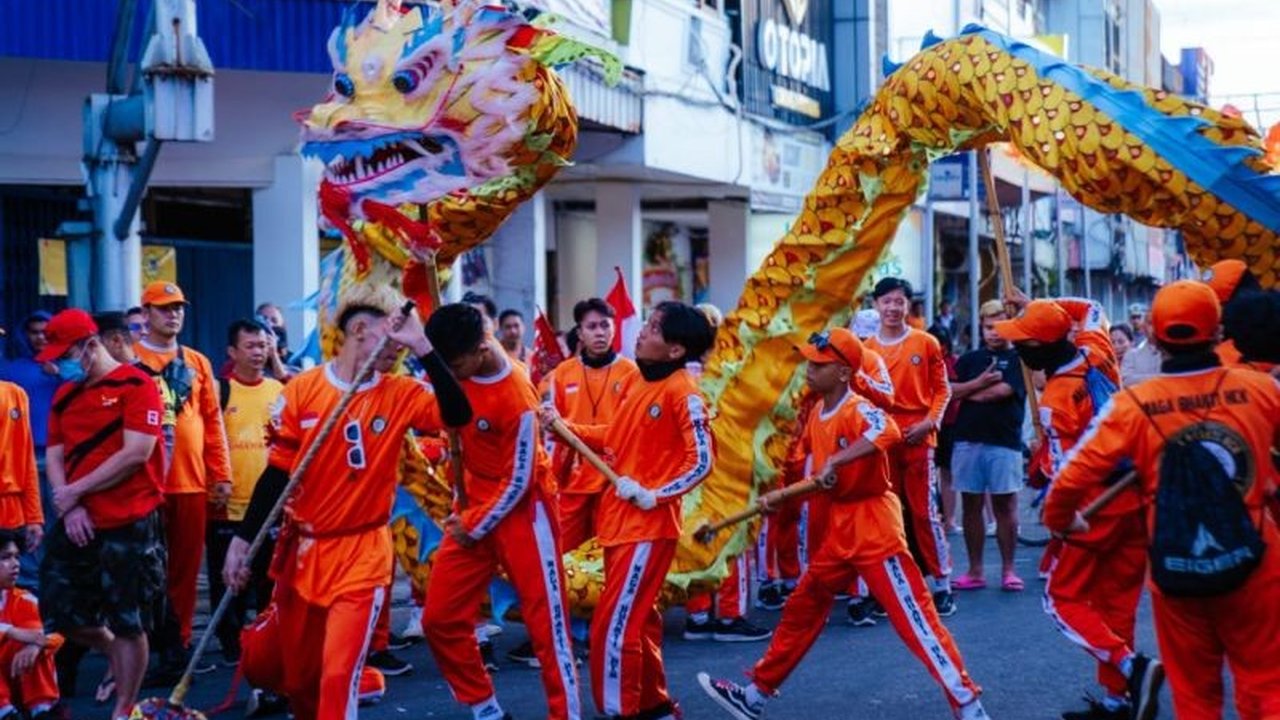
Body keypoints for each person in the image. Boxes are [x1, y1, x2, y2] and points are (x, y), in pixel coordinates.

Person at [696, 328, 988, 720]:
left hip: (874, 527)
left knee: (915, 619)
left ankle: (969, 705)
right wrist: (778, 500)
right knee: (803, 606)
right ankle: (755, 695)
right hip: (840, 528)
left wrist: (840, 459)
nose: (808, 370)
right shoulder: (818, 412)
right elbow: (819, 478)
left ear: (843, 373)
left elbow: (887, 430)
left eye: (818, 365)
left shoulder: (857, 406)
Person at [224, 289, 471, 720]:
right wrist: (242, 540)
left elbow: (458, 414)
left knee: (339, 675)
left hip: (363, 554)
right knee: (301, 680)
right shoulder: (302, 390)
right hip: (304, 552)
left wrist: (424, 347)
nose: (398, 345)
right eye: (391, 334)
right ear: (360, 329)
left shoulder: (401, 393)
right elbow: (277, 476)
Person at [1043, 280, 1276, 720]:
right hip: (1257, 562)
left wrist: (1063, 519)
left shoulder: (1132, 405)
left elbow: (1070, 478)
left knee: (1195, 695)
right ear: (1218, 329)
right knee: (1266, 685)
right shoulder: (1262, 390)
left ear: (1152, 331)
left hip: (1177, 568)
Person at [544, 301, 715, 720]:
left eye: (654, 328)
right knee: (640, 621)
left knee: (613, 627)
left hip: (648, 526)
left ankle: (623, 710)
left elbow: (703, 460)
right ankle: (652, 703)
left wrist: (655, 495)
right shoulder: (640, 382)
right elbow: (614, 435)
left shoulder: (684, 392)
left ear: (675, 350)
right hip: (619, 523)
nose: (640, 331)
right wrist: (566, 430)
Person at [994, 294, 1155, 720]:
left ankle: (1130, 667)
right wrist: (1038, 305)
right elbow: (1090, 306)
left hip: (1092, 509)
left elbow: (1069, 471)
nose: (1015, 349)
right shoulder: (1098, 350)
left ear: (1037, 351)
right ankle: (1118, 701)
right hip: (1132, 496)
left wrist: (1061, 518)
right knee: (1116, 603)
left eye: (1021, 343)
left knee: (1060, 598)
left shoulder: (1056, 401)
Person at [421, 303, 581, 720]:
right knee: (439, 618)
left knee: (548, 627)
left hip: (526, 512)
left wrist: (473, 524)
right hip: (471, 505)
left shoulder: (518, 393)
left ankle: (567, 714)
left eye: (455, 365)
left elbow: (520, 481)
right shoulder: (455, 361)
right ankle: (485, 707)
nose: (451, 375)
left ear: (480, 349)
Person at [37, 309, 167, 720]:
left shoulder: (137, 384)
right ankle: (114, 651)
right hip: (78, 520)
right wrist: (70, 502)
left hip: (129, 520)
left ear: (91, 345)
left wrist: (77, 490)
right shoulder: (65, 395)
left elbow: (136, 454)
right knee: (59, 610)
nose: (61, 365)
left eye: (67, 354)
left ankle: (124, 707)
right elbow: (54, 455)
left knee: (130, 620)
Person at [132, 281, 233, 682]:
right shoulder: (130, 359)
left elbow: (213, 422)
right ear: (146, 314)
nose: (172, 315)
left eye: (178, 308)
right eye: (163, 308)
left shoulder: (197, 362)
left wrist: (221, 473)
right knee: (143, 569)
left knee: (186, 571)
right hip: (144, 484)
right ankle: (144, 645)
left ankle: (181, 643)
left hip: (191, 483)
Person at [864, 278, 955, 615]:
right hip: (883, 440)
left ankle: (943, 584)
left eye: (898, 301)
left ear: (908, 305)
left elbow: (942, 390)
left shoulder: (926, 342)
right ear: (876, 305)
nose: (892, 308)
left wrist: (929, 423)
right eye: (886, 301)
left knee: (924, 512)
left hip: (919, 438)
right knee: (887, 515)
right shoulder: (866, 349)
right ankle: (890, 585)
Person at [207, 320, 284, 666]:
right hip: (228, 506)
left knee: (270, 581)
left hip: (270, 508)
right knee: (228, 583)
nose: (258, 352)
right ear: (232, 352)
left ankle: (267, 641)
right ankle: (231, 645)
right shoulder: (219, 390)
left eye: (263, 345)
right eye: (250, 346)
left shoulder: (279, 391)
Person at [949, 300, 1026, 592]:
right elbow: (948, 391)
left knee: (1005, 505)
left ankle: (1009, 570)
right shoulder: (969, 360)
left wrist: (969, 391)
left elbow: (1002, 392)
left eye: (1000, 326)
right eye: (988, 326)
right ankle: (975, 570)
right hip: (967, 439)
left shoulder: (1020, 359)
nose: (994, 332)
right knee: (970, 506)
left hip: (1004, 441)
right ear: (981, 328)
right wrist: (979, 382)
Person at [0, 529, 62, 720]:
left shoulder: (23, 599)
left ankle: (41, 710)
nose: (16, 564)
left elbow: (57, 633)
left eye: (17, 557)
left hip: (19, 687)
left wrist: (35, 645)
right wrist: (10, 631)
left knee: (35, 646)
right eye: (5, 557)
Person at [0, 381, 42, 554]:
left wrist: (34, 516)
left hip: (11, 513)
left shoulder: (15, 394)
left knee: (10, 575)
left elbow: (26, 459)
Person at [1120, 307, 1161, 385]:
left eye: (1159, 322)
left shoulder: (1177, 354)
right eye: (1151, 323)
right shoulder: (1131, 355)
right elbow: (1126, 380)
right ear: (1143, 327)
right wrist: (1161, 378)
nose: (1156, 327)